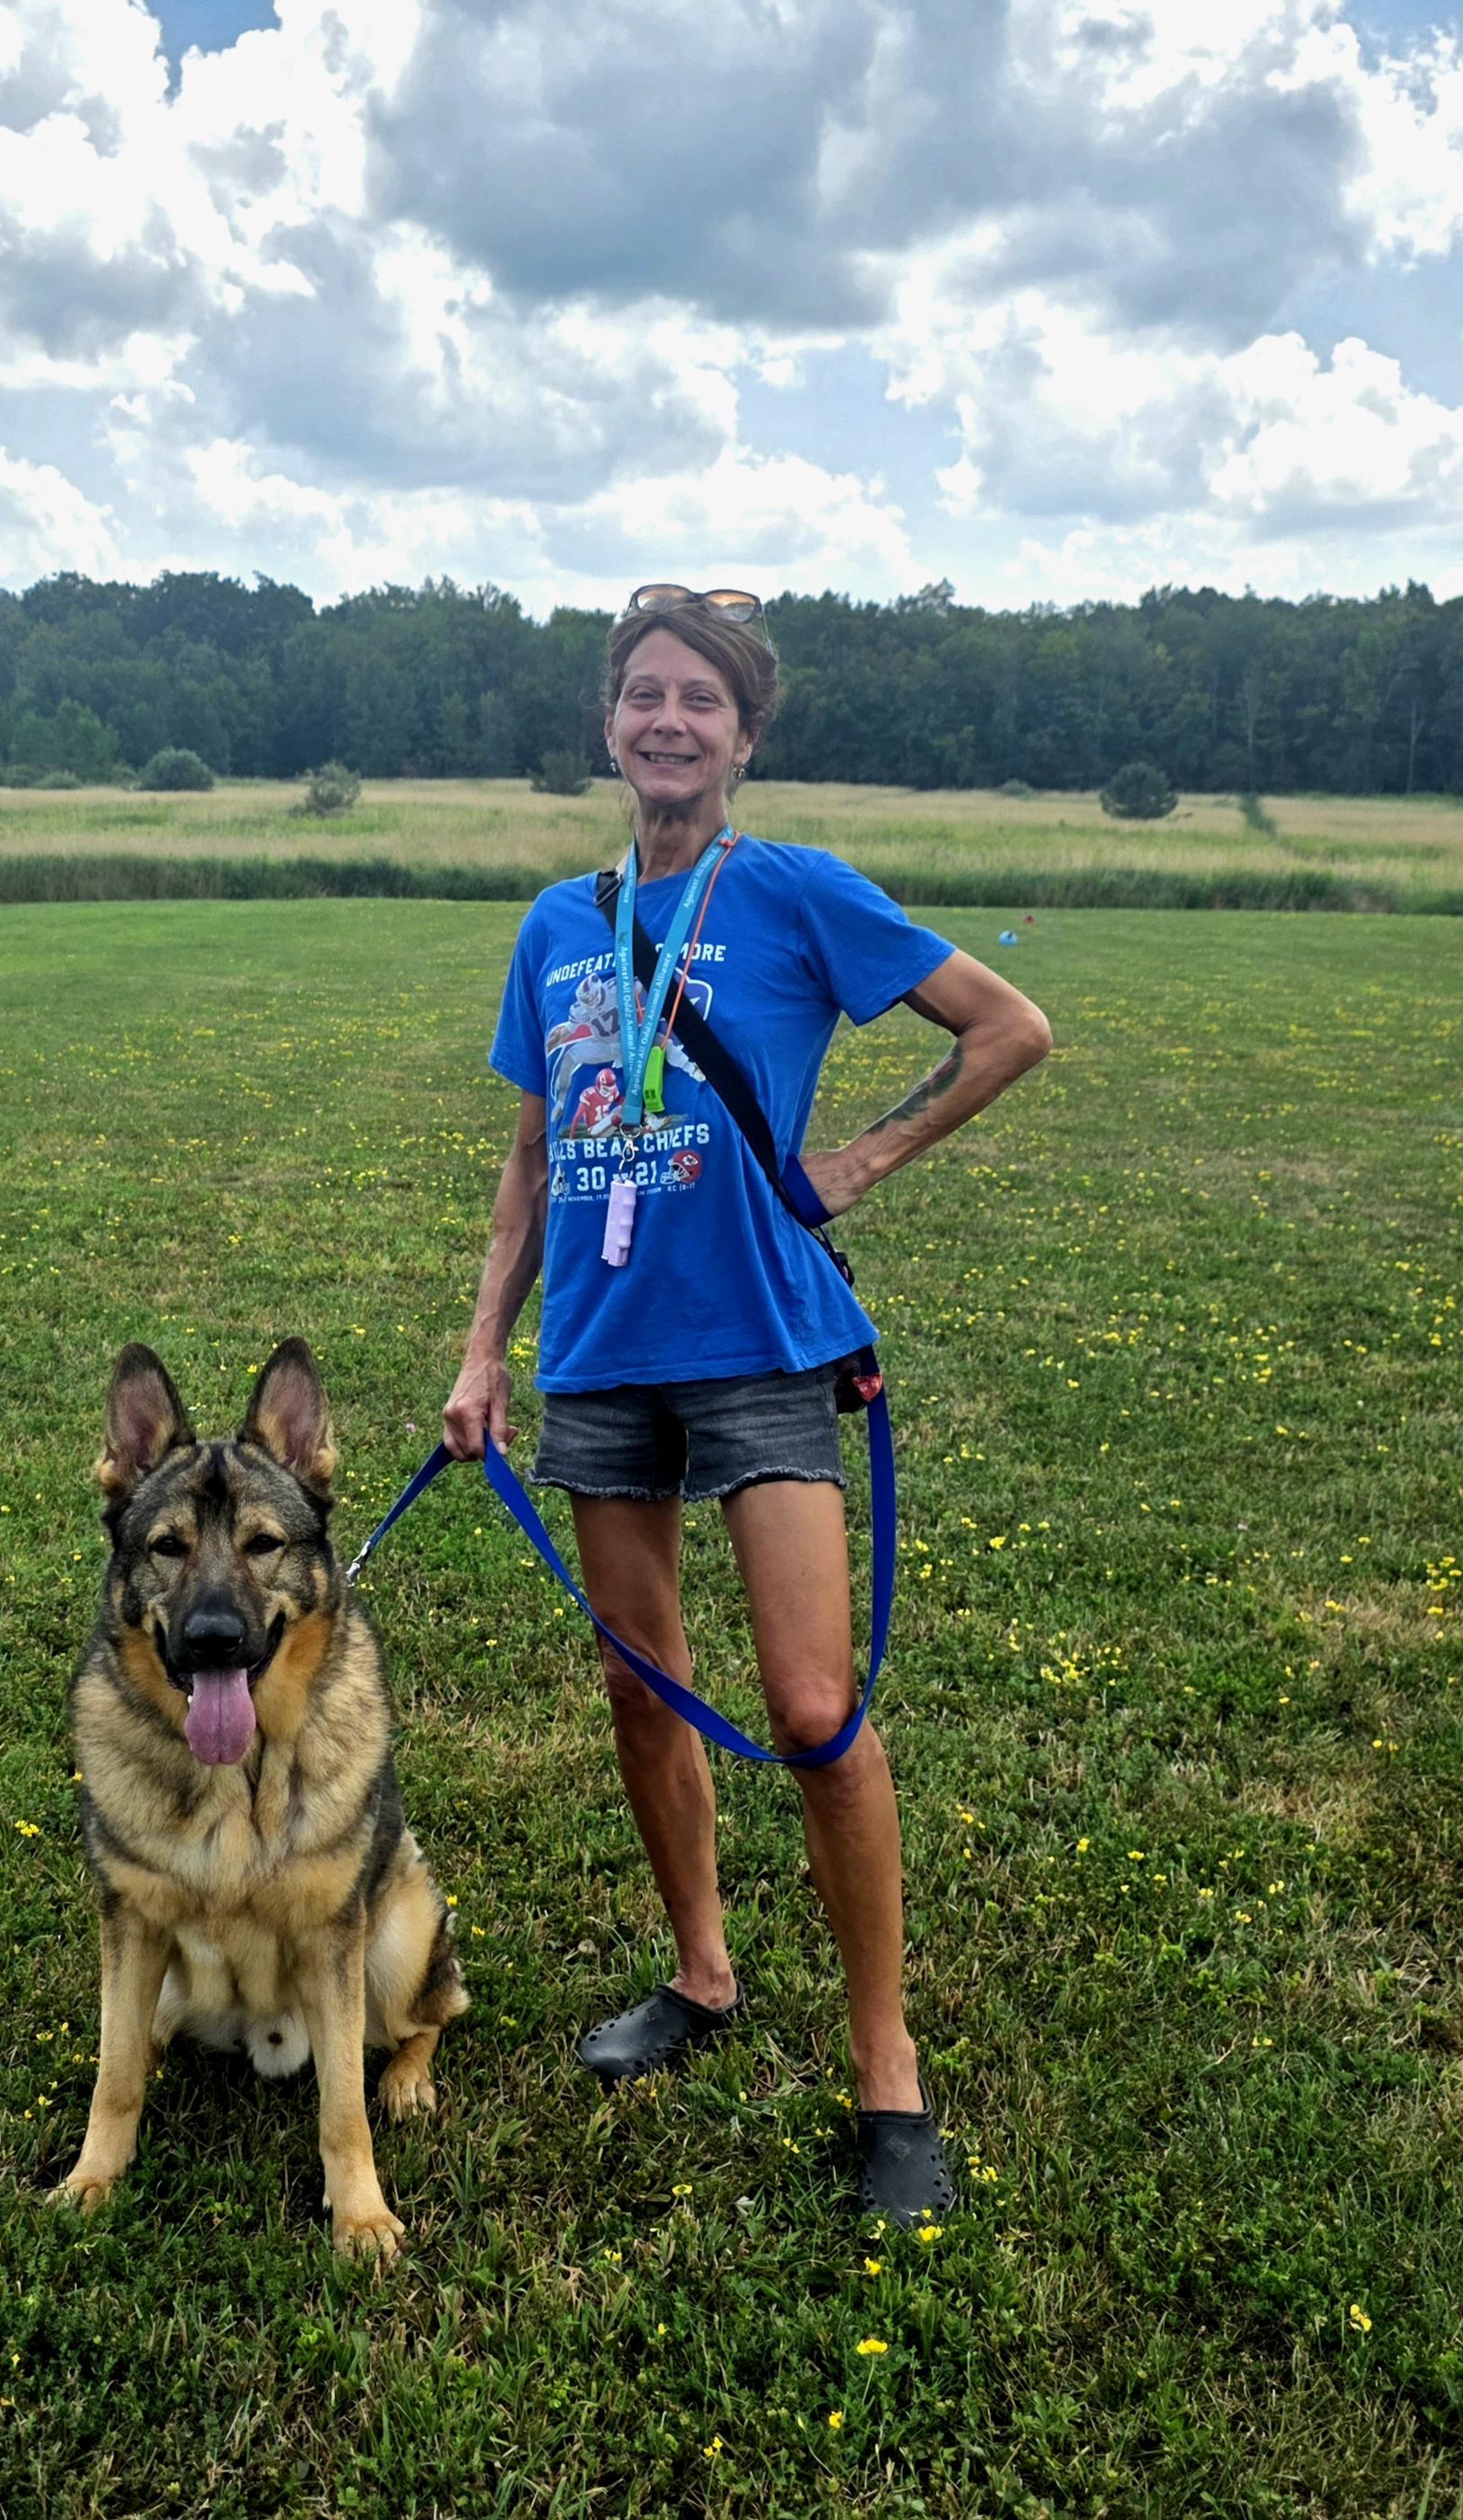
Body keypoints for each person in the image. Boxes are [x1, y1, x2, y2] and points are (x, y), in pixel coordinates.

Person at [443, 583, 1052, 2219]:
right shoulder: (557, 924)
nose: (666, 720)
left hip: (767, 1344)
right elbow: (528, 1157)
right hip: (600, 1360)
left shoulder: (791, 893)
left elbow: (1011, 1027)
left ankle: (888, 2070)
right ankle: (703, 1975)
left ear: (744, 733)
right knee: (646, 1690)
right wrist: (484, 1346)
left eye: (698, 700)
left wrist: (860, 1156)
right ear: (608, 723)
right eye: (642, 692)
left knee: (809, 1708)